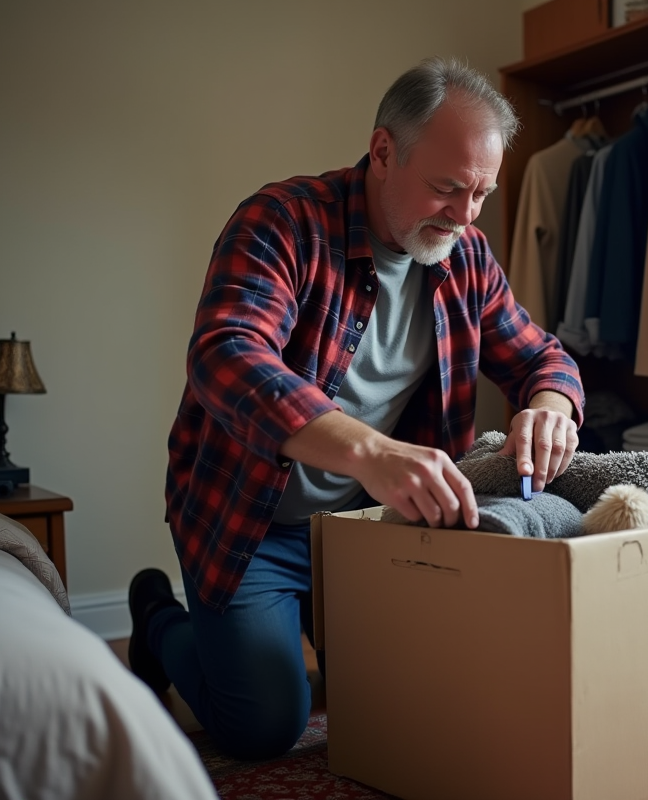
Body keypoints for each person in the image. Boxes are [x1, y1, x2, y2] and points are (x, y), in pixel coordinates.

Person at [126, 57, 584, 760]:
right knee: (265, 724)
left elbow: (541, 359)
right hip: (251, 521)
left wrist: (550, 406)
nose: (465, 215)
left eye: (482, 193)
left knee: (405, 704)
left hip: (368, 530)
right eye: (447, 188)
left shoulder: (467, 254)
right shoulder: (282, 219)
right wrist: (372, 453)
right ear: (382, 152)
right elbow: (227, 354)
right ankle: (159, 620)